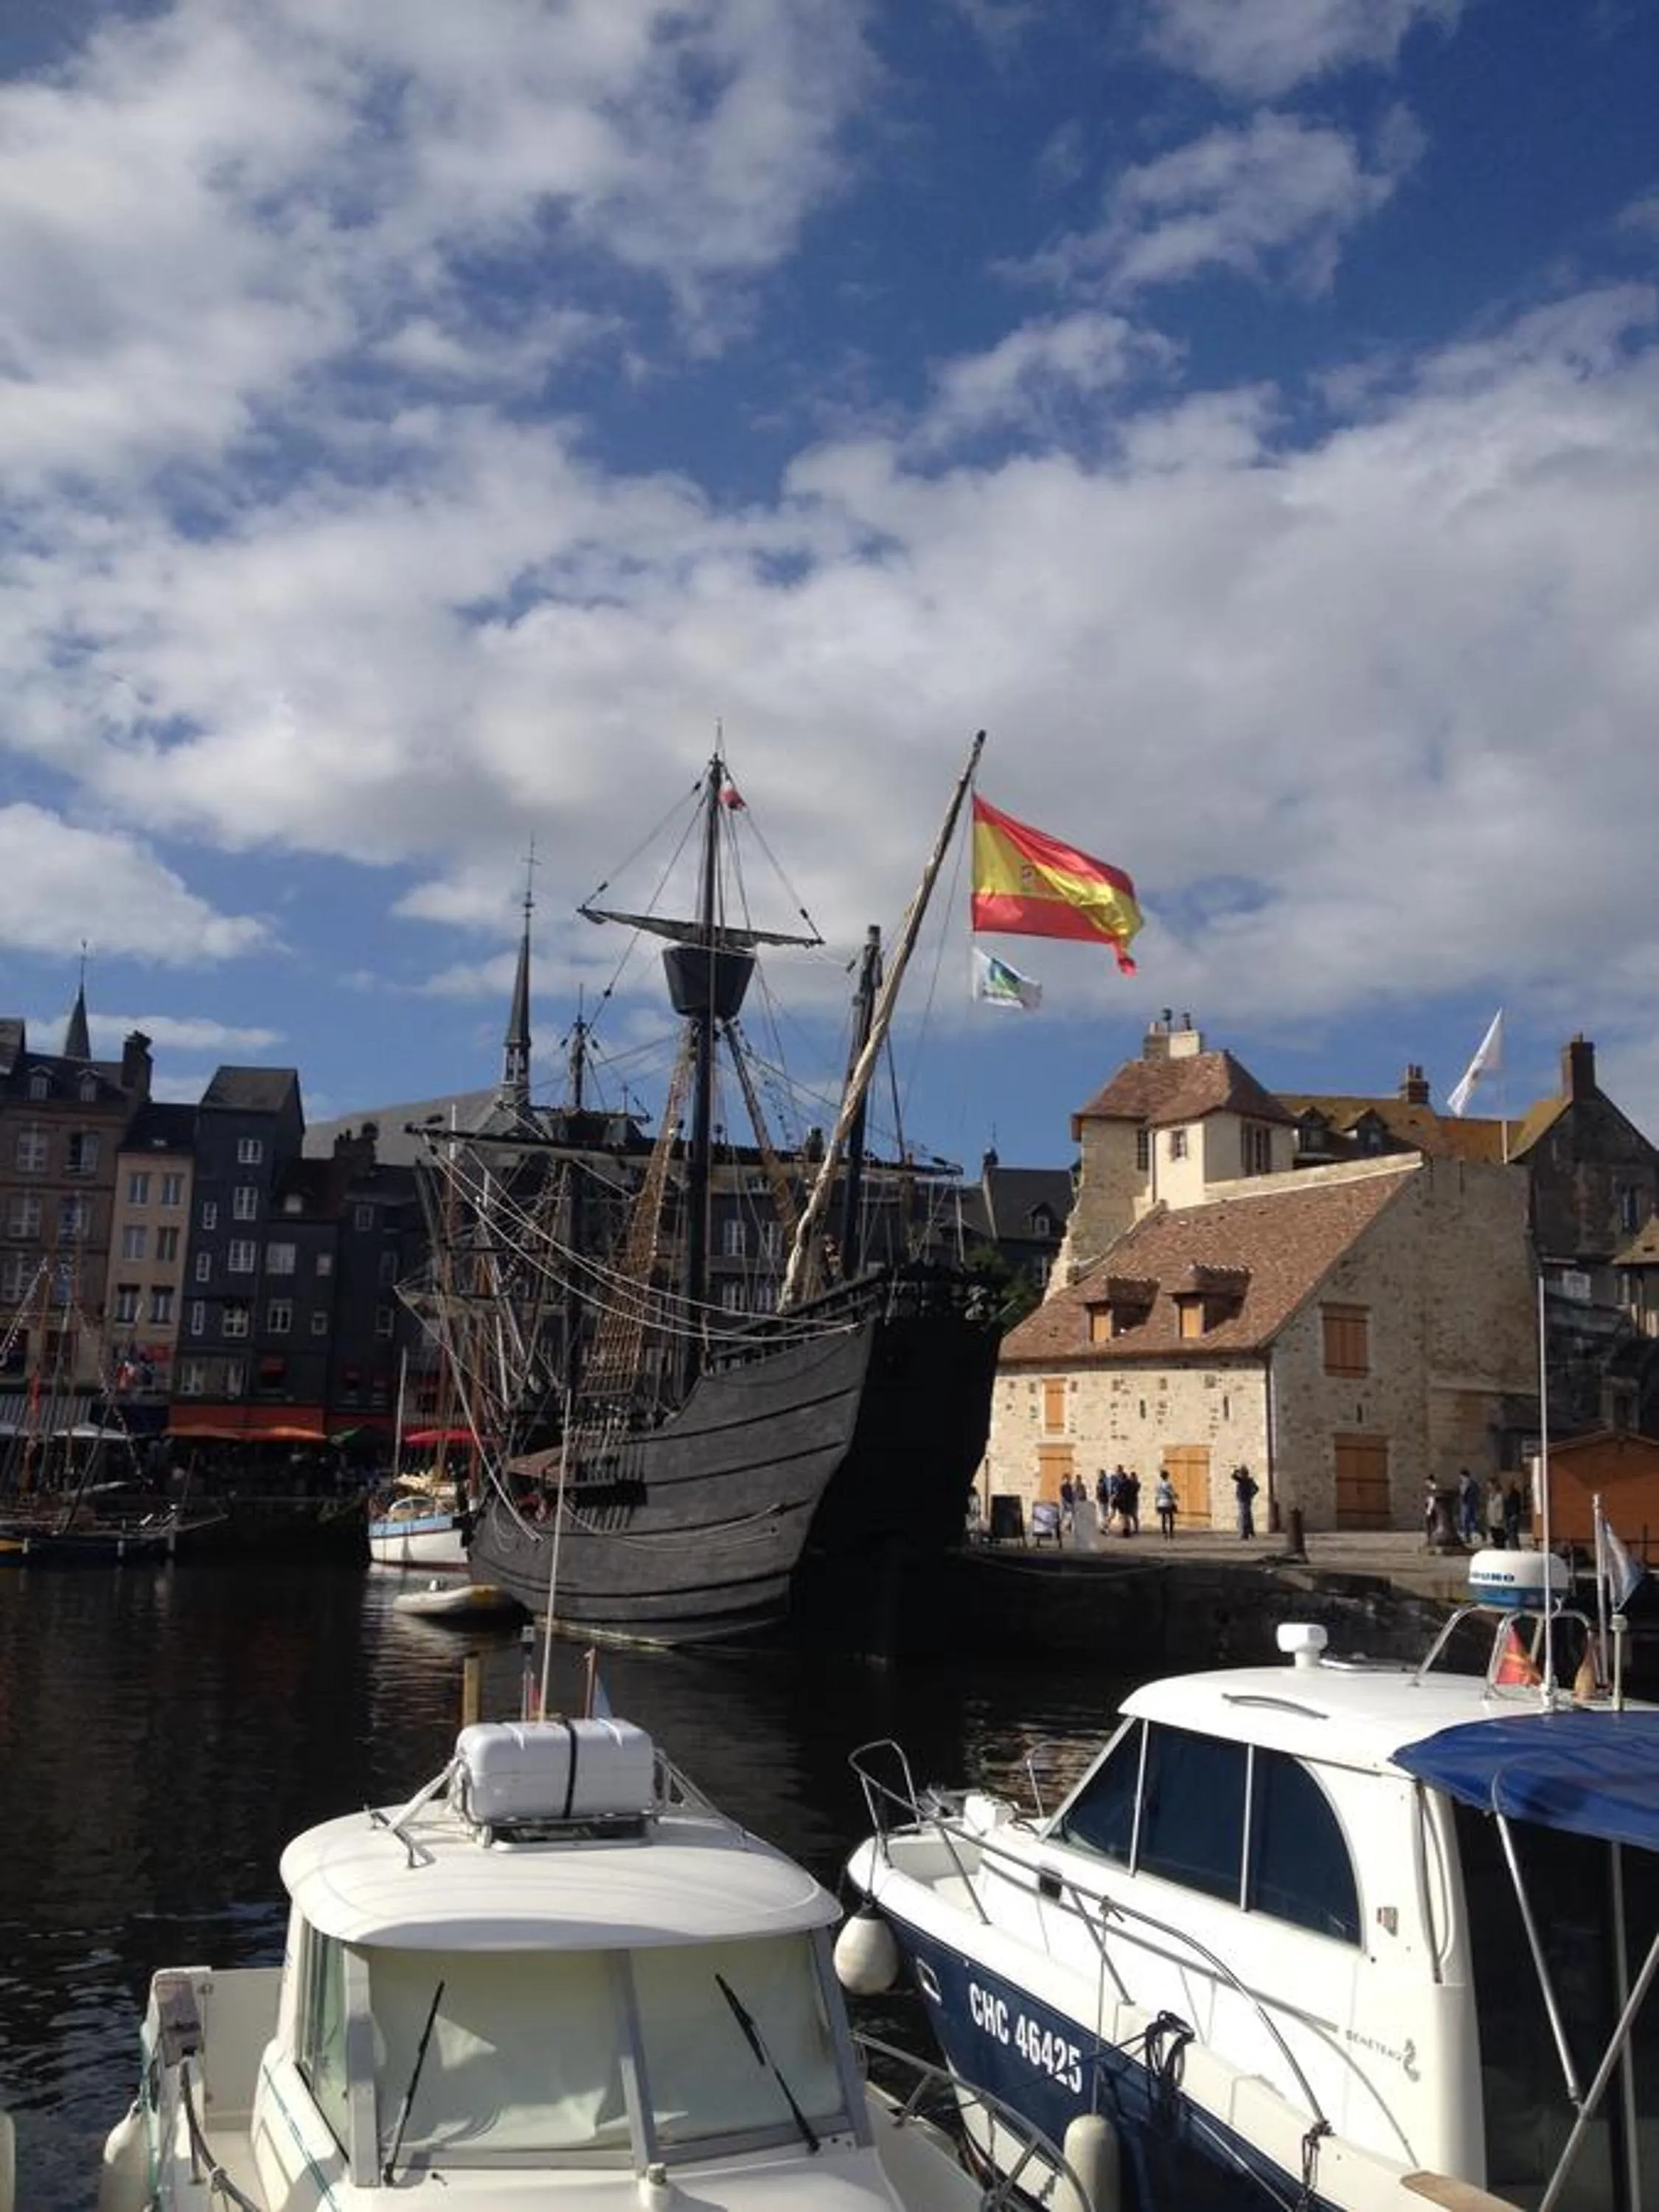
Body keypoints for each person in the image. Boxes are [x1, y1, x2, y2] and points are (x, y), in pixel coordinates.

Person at [1232, 1463, 1259, 1540]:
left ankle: (1245, 1534)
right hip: (1244, 1499)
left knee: (1244, 1516)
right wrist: (1252, 1495)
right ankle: (1250, 1531)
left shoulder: (1245, 1480)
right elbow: (1233, 1476)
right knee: (1247, 1515)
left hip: (1244, 1499)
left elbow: (1256, 1489)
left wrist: (1251, 1494)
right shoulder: (1244, 1480)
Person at [1457, 1467, 1480, 1545]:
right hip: (1464, 1504)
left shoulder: (1472, 1484)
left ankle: (1472, 1536)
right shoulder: (1461, 1484)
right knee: (1464, 1521)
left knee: (1471, 1520)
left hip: (1470, 1504)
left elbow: (1476, 1493)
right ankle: (1467, 1537)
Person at [1486, 1475, 1507, 1549]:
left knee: (1499, 1536)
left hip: (1498, 1520)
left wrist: (1500, 1517)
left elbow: (1501, 1507)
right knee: (1494, 1534)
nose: (1488, 1486)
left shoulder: (1499, 1495)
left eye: (1489, 1484)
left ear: (1493, 1484)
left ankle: (1500, 1547)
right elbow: (1490, 1506)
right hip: (1492, 1519)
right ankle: (1497, 1546)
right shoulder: (1491, 1495)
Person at [1154, 1471, 1177, 1540]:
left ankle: (1164, 1532)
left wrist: (1156, 1503)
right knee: (1171, 1518)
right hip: (1168, 1502)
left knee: (1163, 1518)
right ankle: (1171, 1532)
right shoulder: (1169, 1484)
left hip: (1161, 1502)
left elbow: (1157, 1494)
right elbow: (1171, 1493)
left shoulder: (1158, 1484)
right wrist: (1175, 1496)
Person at [1505, 1478, 1526, 1549]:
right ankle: (1514, 1545)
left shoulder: (1515, 1494)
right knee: (1512, 1531)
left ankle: (1514, 1545)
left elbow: (1515, 1505)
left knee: (1513, 1531)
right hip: (1511, 1514)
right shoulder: (1510, 1494)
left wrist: (1514, 1513)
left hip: (1514, 1514)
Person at [1121, 1469, 1141, 1537]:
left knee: (1134, 1515)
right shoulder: (1131, 1483)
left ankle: (1136, 1528)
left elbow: (1135, 1490)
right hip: (1130, 1501)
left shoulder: (1136, 1484)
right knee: (1130, 1516)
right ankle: (1132, 1529)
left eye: (1133, 1477)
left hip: (1133, 1501)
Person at [1058, 1475, 1077, 1542]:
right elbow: (1063, 1495)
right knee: (1063, 1516)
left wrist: (1072, 1502)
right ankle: (1062, 1528)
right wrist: (1064, 1503)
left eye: (1067, 1479)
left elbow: (1073, 1495)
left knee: (1070, 1516)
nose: (1066, 1481)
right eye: (1065, 1479)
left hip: (1070, 1503)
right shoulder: (1063, 1487)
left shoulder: (1070, 1487)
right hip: (1065, 1502)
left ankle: (1067, 1528)